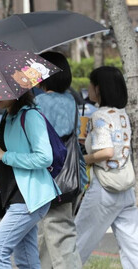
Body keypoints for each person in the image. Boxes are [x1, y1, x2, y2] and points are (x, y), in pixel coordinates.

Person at [0, 91, 58, 268]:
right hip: (16, 196)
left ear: (17, 91)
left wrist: (4, 155)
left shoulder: (30, 116)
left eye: (2, 91)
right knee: (26, 261)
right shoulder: (9, 115)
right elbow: (10, 150)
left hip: (29, 198)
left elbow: (45, 157)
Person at [74, 66, 138, 268]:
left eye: (91, 85)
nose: (88, 89)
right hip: (126, 188)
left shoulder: (99, 116)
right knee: (132, 246)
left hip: (104, 190)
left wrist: (83, 159)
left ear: (98, 88)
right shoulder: (122, 114)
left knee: (78, 241)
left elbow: (106, 152)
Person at [33, 51, 84, 269]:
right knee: (47, 237)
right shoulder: (72, 101)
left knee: (59, 237)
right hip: (73, 176)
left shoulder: (38, 102)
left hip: (48, 179)